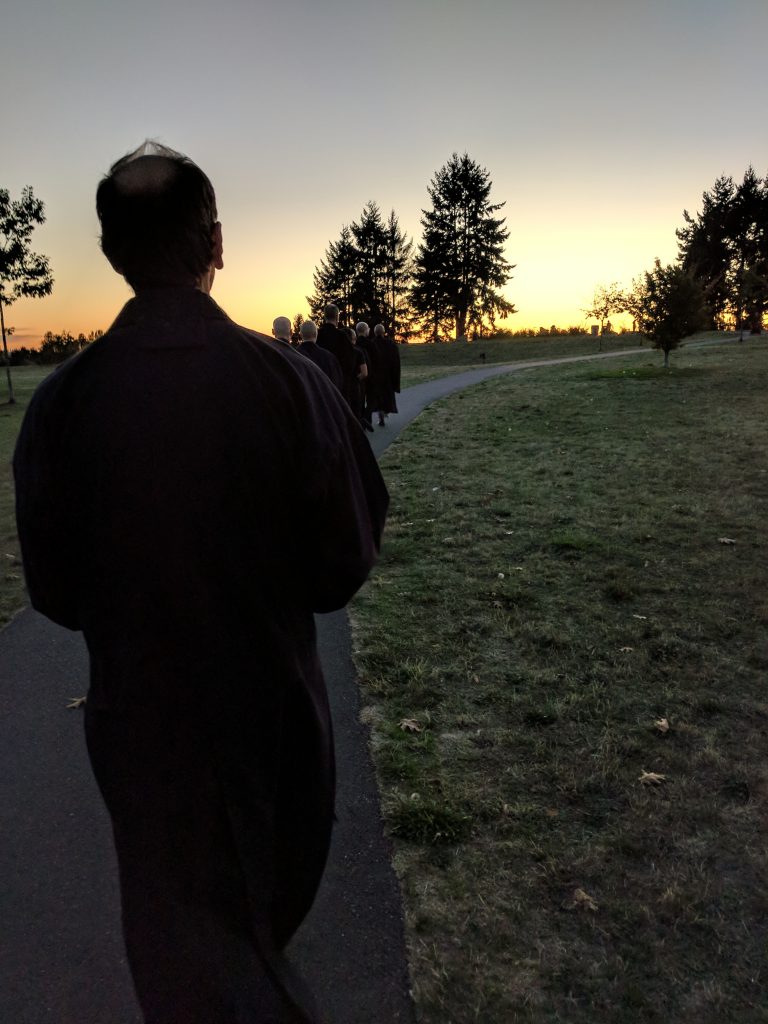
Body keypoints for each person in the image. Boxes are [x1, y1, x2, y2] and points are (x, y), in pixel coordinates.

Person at [13, 141, 389, 1024]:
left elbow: (56, 593)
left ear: (110, 251)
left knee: (176, 936)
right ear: (217, 242)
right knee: (246, 936)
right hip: (274, 713)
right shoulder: (292, 386)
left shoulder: (62, 405)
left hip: (137, 726)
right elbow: (344, 565)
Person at [316, 303, 357, 409]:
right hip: (339, 384)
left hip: (320, 381)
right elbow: (351, 361)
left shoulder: (317, 335)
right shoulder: (342, 336)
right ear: (337, 317)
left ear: (324, 316)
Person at [297, 319, 343, 391]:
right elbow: (337, 384)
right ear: (316, 333)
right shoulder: (329, 358)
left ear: (301, 335)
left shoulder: (293, 356)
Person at [371, 323, 401, 427]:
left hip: (375, 376)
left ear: (375, 332)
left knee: (378, 398)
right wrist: (396, 379)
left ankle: (381, 416)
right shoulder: (391, 344)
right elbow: (396, 362)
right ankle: (385, 413)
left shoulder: (371, 344)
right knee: (387, 397)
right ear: (384, 332)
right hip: (388, 376)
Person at [355, 322, 376, 432]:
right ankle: (367, 419)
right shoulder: (371, 344)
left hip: (360, 376)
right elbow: (376, 360)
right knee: (371, 400)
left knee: (361, 400)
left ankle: (362, 421)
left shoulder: (355, 343)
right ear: (365, 330)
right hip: (371, 376)